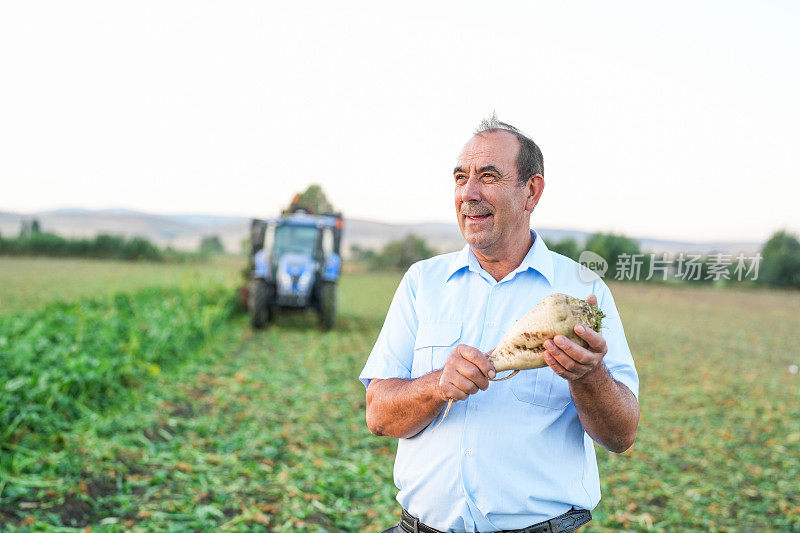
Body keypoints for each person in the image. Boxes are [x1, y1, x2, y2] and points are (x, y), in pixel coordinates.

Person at [360, 116, 640, 533]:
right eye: (460, 178)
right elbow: (379, 415)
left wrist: (588, 374)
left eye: (488, 176)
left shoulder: (581, 292)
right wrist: (438, 385)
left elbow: (622, 434)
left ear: (531, 191)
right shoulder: (423, 282)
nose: (468, 193)